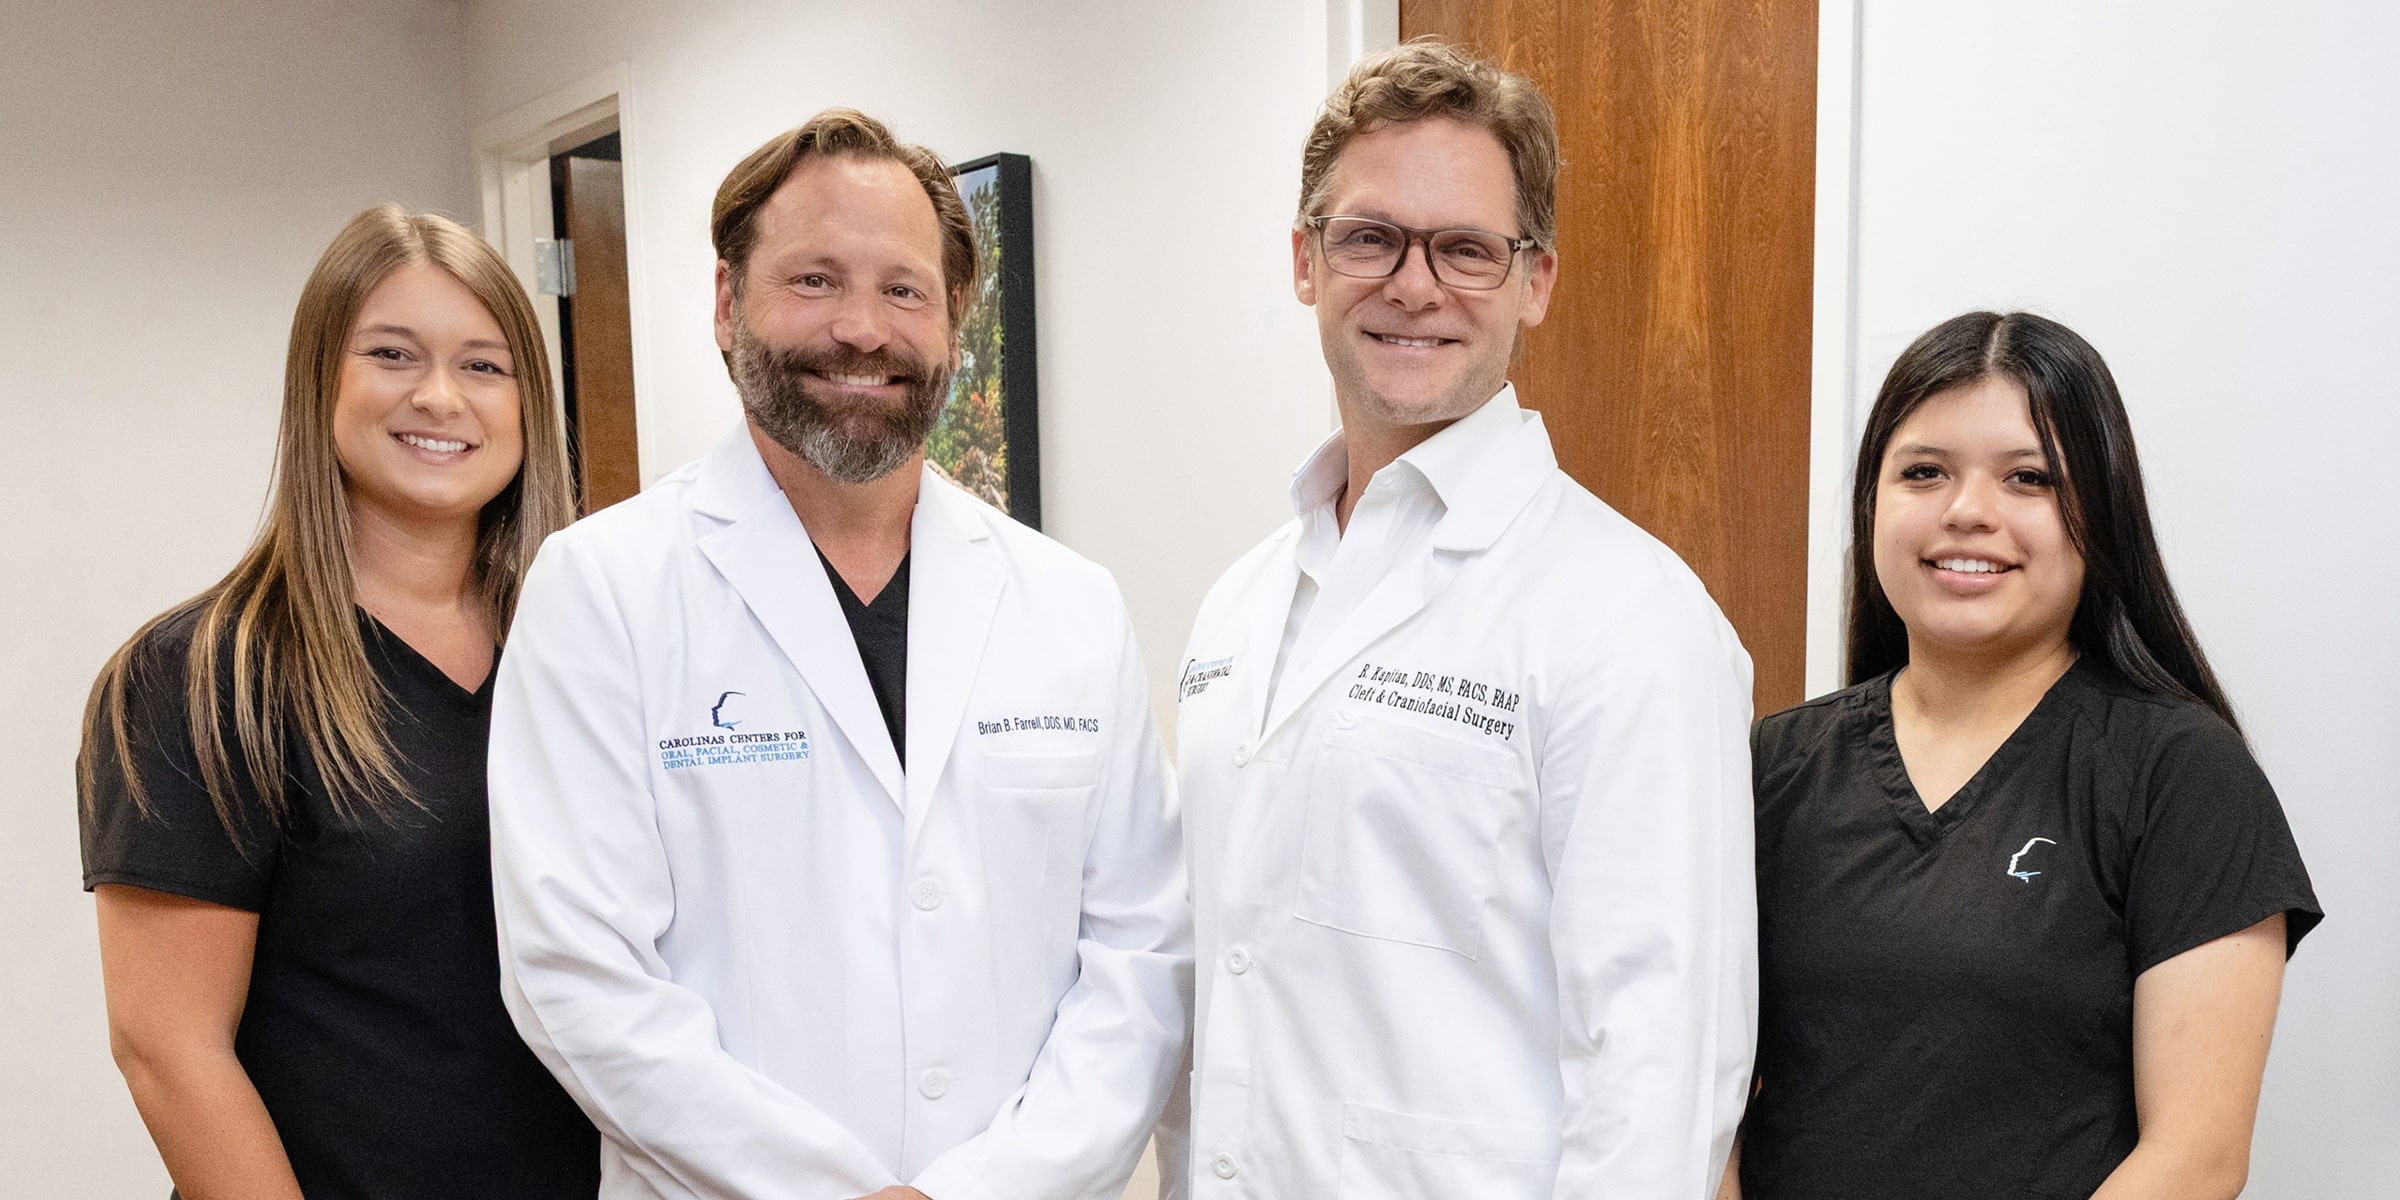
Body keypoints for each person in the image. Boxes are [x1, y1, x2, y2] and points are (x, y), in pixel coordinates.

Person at [486, 109, 1190, 1200]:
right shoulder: (603, 591)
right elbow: (577, 978)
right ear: (727, 305)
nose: (863, 329)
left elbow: (1143, 964)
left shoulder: (1071, 605)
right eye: (813, 280)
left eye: (904, 289)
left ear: (957, 318)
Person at [1175, 40, 1757, 1197]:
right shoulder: (1239, 604)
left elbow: (1659, 1062)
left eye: (1466, 251)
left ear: (1534, 280)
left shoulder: (1630, 617)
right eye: (1370, 237)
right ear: (1306, 260)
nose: (1413, 285)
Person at [1735, 311, 2322, 1200]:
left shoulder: (2182, 774)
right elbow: (1693, 1089)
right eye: (1924, 472)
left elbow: (2197, 1160)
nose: (1969, 512)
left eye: (2029, 478)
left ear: (2102, 513)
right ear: (1871, 501)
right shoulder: (1772, 766)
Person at [77, 205, 596, 1198]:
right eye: (394, 355)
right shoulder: (203, 677)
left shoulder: (593, 653)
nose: (442, 397)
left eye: (485, 366)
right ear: (322, 381)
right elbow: (168, 1050)